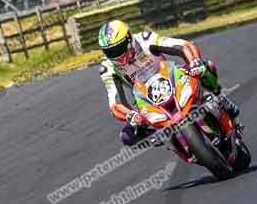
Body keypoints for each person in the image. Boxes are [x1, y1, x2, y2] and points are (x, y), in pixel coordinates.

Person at [97, 20, 240, 148]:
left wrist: (194, 63)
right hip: (145, 98)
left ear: (129, 38)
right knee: (126, 136)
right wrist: (130, 115)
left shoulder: (146, 39)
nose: (116, 55)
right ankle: (161, 136)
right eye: (110, 52)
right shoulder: (107, 68)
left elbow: (182, 45)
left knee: (206, 66)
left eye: (118, 48)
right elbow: (115, 103)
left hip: (172, 76)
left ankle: (220, 98)